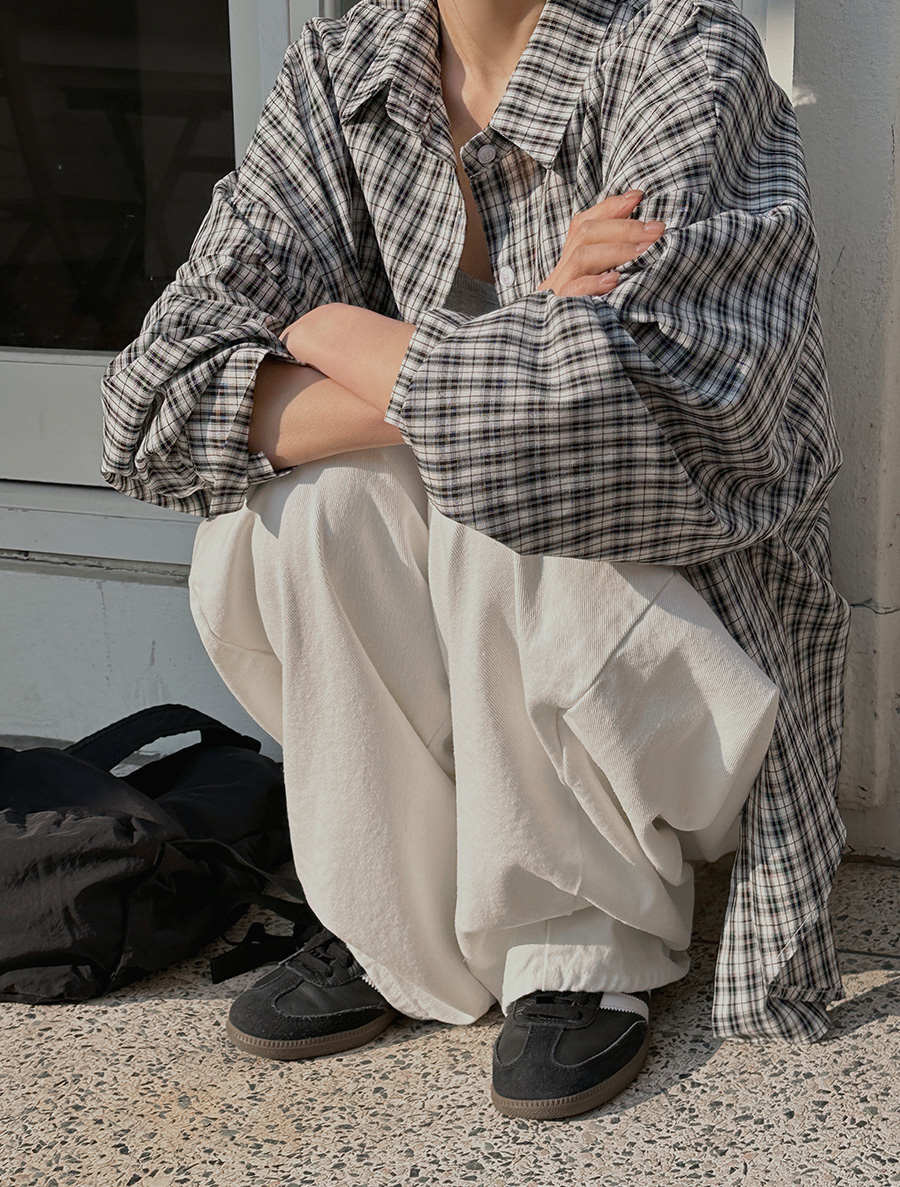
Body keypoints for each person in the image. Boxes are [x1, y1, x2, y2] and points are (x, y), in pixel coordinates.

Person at [100, 0, 850, 1120]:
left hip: (679, 659)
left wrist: (327, 331)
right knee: (323, 505)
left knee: (510, 490)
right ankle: (391, 928)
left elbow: (627, 416)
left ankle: (580, 939)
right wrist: (530, 332)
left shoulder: (682, 52)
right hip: (480, 612)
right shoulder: (346, 70)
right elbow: (151, 400)